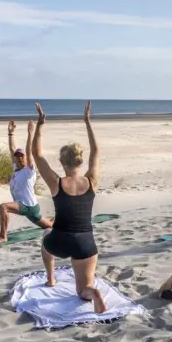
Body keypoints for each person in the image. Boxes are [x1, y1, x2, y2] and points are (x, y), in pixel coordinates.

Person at [32, 101, 106, 314]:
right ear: (80, 162)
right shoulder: (92, 181)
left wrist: (40, 125)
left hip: (61, 242)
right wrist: (87, 122)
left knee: (47, 233)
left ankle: (51, 279)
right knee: (83, 289)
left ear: (61, 162)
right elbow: (96, 151)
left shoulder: (57, 183)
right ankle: (93, 293)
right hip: (86, 244)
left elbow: (36, 155)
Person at [0, 120, 53, 243]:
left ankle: (3, 236)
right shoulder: (16, 169)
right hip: (31, 207)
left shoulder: (29, 171)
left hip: (27, 205)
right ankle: (61, 219)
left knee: (3, 207)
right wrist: (10, 133)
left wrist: (30, 133)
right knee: (49, 225)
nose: (19, 158)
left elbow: (29, 151)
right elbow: (12, 149)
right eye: (17, 156)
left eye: (22, 156)